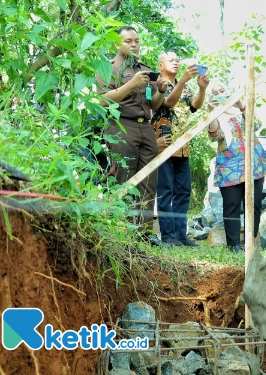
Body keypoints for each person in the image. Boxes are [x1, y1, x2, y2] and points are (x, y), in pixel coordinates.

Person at [96, 26, 170, 247]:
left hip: (145, 127)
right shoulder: (107, 68)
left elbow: (153, 105)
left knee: (149, 180)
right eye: (128, 41)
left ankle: (144, 233)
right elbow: (102, 100)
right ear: (117, 44)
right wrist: (132, 84)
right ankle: (123, 231)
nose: (134, 45)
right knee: (124, 178)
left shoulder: (144, 70)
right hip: (121, 127)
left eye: (137, 41)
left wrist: (160, 91)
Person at [207, 82, 266, 253]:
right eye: (215, 93)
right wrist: (212, 111)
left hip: (254, 166)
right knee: (232, 206)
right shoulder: (216, 115)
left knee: (254, 205)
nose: (220, 94)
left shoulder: (242, 110)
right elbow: (215, 135)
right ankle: (234, 245)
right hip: (229, 168)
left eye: (222, 90)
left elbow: (256, 126)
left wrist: (241, 106)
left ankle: (251, 241)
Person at [152, 51, 209, 247]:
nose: (175, 63)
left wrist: (201, 89)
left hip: (183, 146)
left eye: (177, 60)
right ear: (161, 65)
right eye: (171, 60)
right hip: (164, 144)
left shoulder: (184, 86)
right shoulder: (157, 84)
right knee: (165, 191)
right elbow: (167, 103)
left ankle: (180, 233)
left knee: (183, 190)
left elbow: (195, 106)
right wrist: (183, 80)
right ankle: (168, 235)